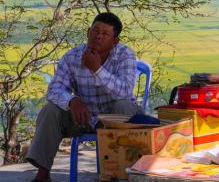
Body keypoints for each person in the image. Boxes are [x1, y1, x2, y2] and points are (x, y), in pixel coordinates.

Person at [27, 12, 142, 182]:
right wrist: (72, 101)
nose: (98, 37)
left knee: (123, 106)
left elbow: (124, 91)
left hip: (115, 119)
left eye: (105, 34)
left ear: (115, 41)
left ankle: (120, 174)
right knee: (50, 110)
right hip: (82, 118)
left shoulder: (125, 55)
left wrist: (97, 69)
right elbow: (54, 89)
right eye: (95, 31)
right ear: (88, 32)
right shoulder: (72, 56)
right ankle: (43, 174)